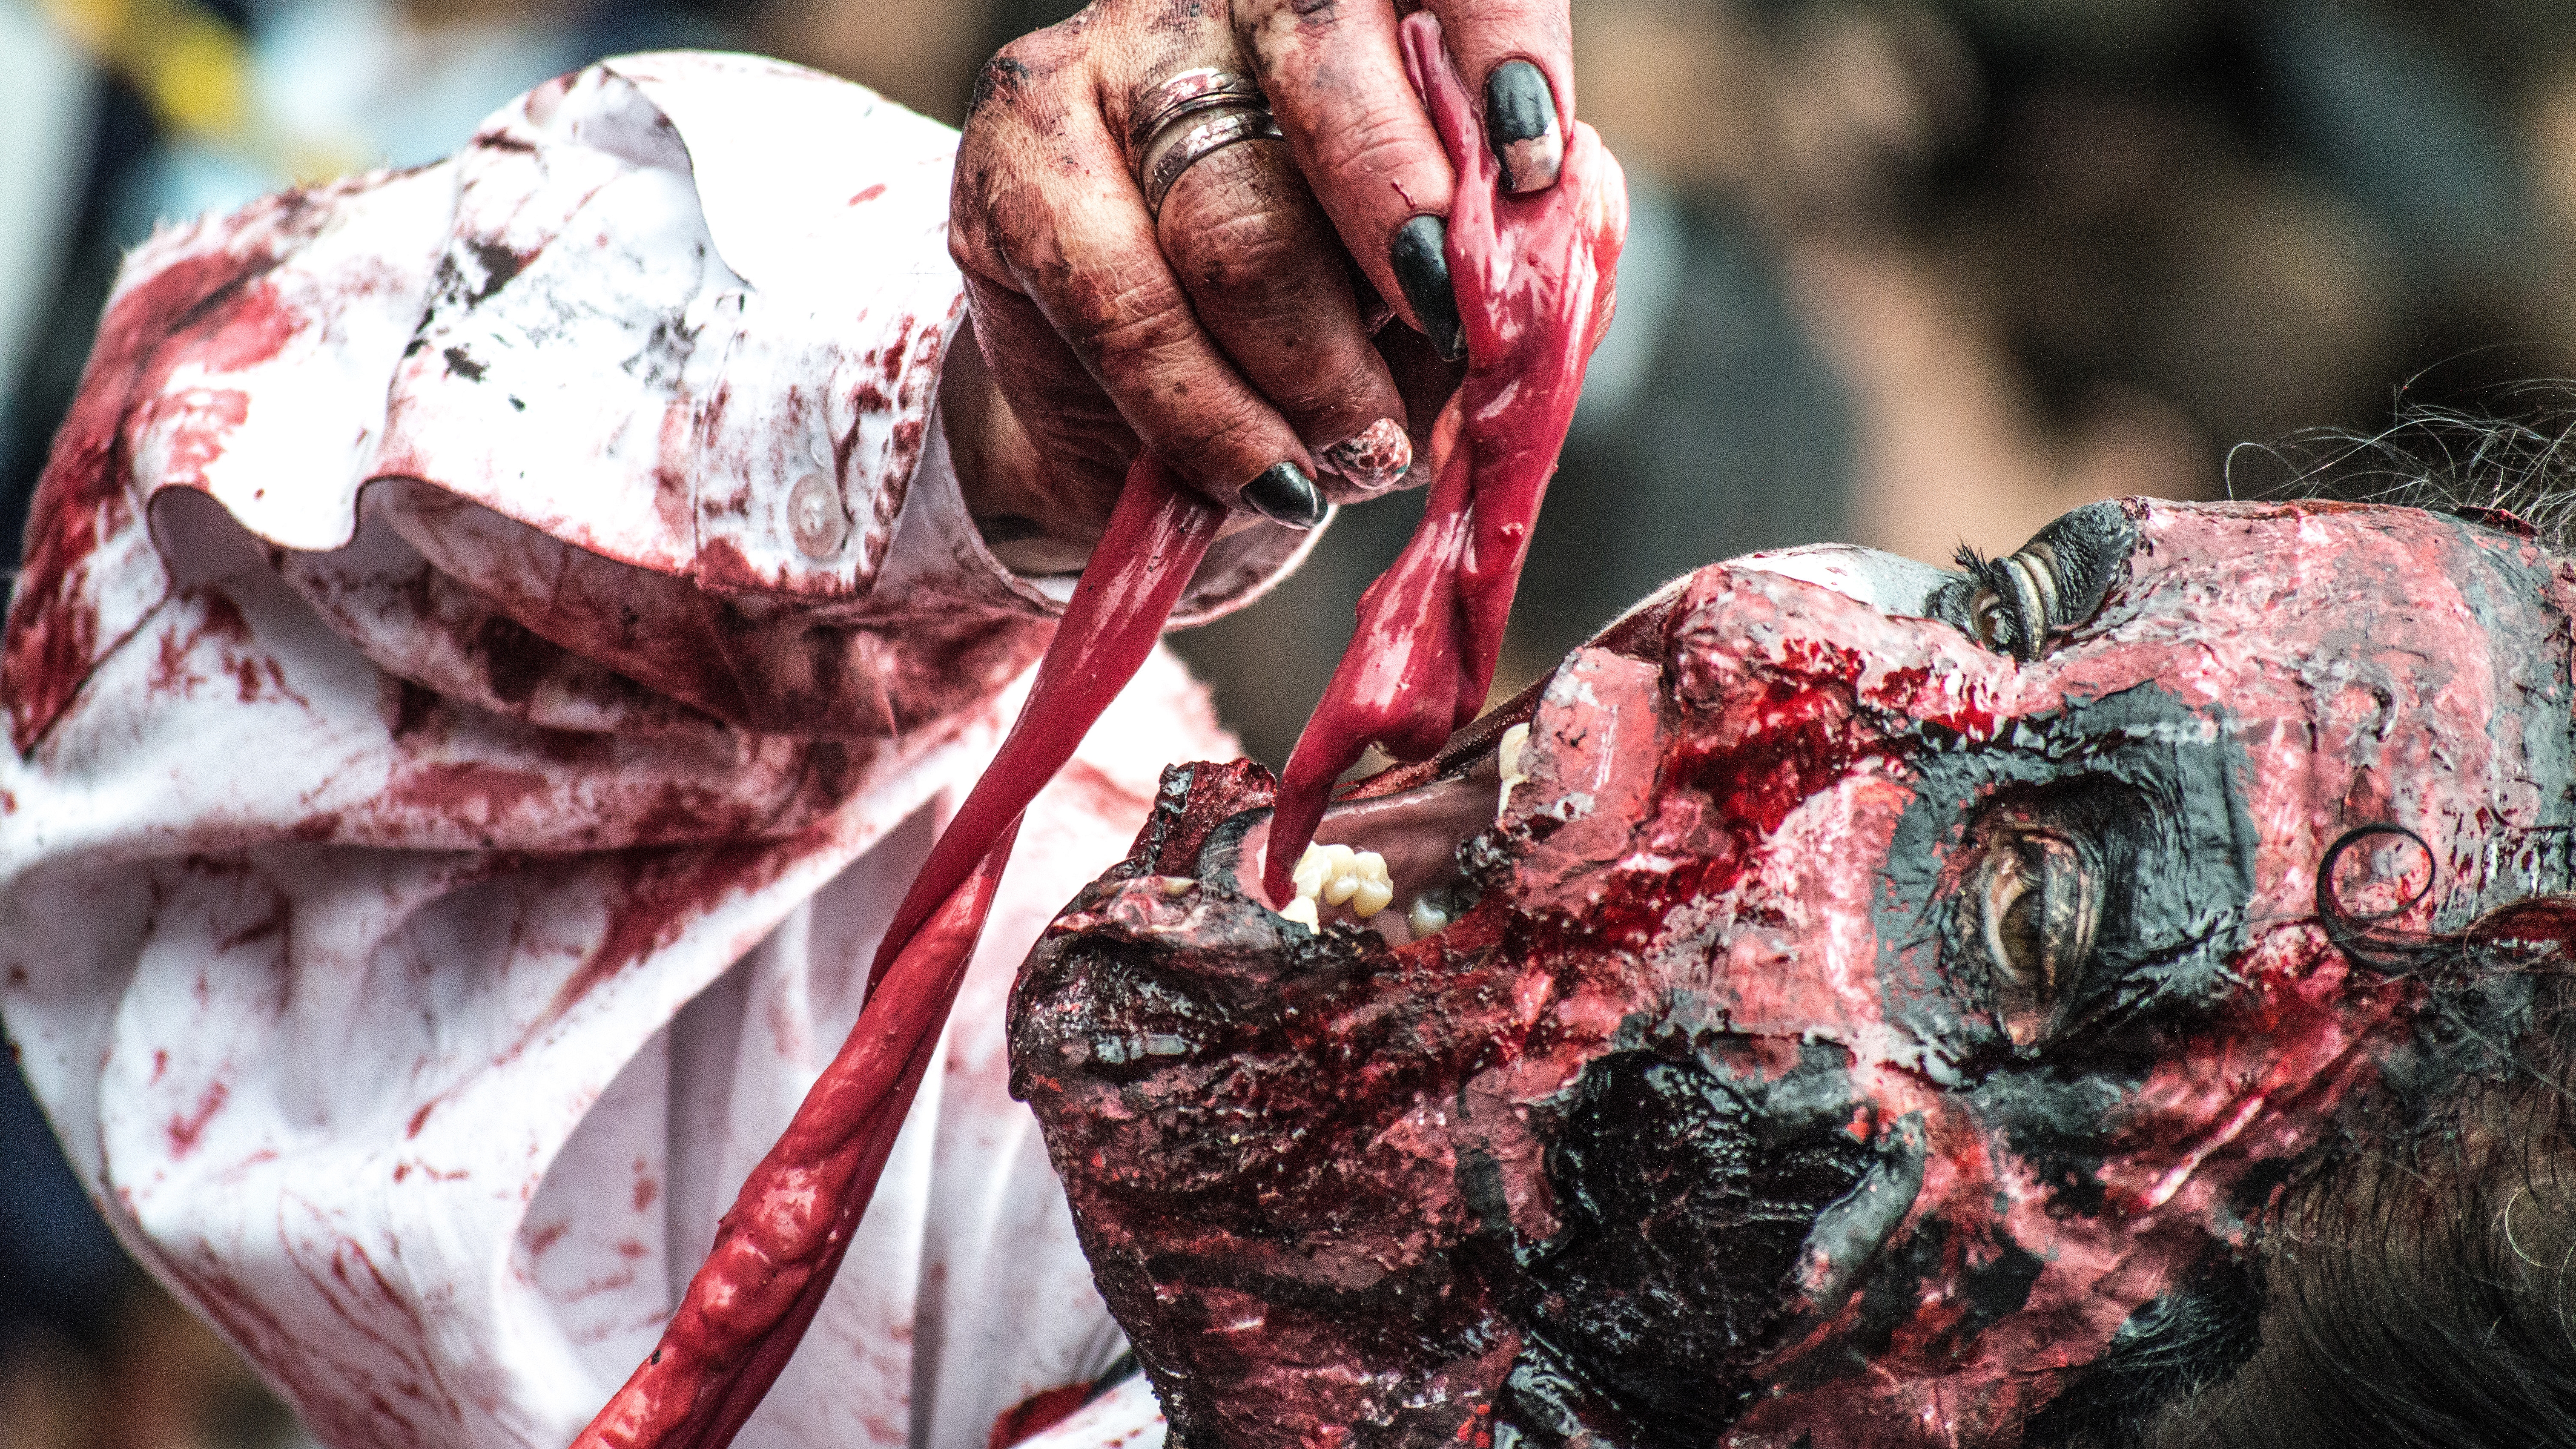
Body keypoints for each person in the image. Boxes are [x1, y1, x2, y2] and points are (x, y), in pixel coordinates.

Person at [0, 0, 1594, 1443]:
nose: (1600, 735)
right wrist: (966, 428)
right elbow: (195, 647)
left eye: (1831, 757)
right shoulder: (1176, 1171)